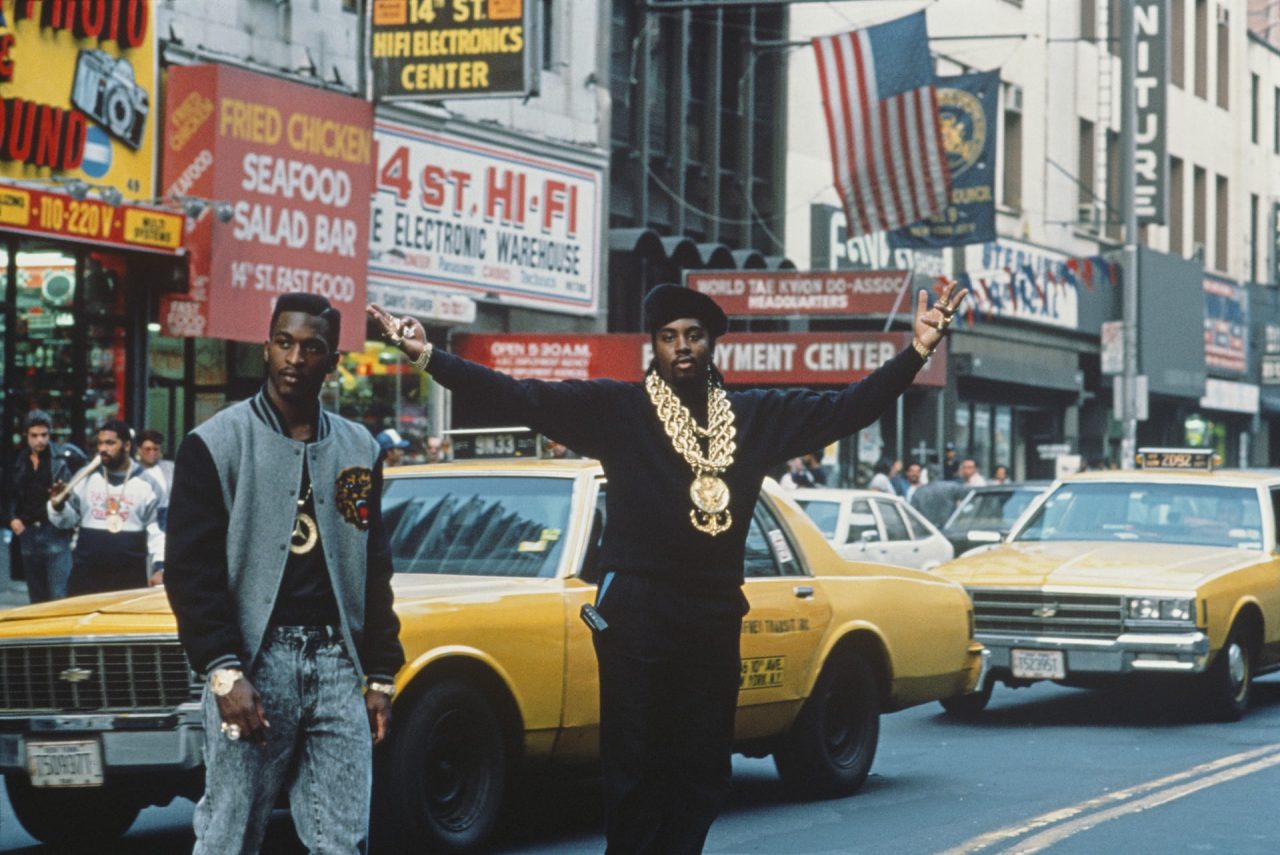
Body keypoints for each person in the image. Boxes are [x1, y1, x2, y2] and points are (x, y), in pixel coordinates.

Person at [369, 278, 966, 854]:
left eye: (694, 335)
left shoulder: (754, 415)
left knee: (704, 769)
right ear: (653, 347)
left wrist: (916, 350)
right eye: (669, 336)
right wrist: (428, 357)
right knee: (636, 768)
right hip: (637, 616)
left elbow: (846, 408)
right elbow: (521, 395)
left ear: (711, 344)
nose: (682, 346)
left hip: (712, 616)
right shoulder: (618, 409)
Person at [164, 293, 405, 854]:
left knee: (343, 839)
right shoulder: (215, 443)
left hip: (337, 663)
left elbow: (375, 567)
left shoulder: (358, 447)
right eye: (284, 342)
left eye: (312, 347)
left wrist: (379, 675)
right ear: (266, 348)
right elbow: (189, 570)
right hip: (255, 661)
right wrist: (223, 670)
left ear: (333, 361)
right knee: (231, 831)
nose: (295, 357)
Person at [48, 419, 166, 594]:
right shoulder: (84, 478)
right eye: (100, 443)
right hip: (86, 575)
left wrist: (160, 567)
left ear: (127, 446)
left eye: (110, 443)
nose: (103, 448)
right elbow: (67, 521)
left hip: (129, 578)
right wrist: (58, 506)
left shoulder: (148, 484)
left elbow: (160, 531)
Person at [5, 410, 83, 602]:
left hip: (54, 529)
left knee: (59, 594)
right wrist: (12, 517)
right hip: (28, 532)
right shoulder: (18, 460)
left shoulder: (62, 458)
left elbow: (81, 480)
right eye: (34, 435)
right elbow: (9, 492)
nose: (40, 440)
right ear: (26, 435)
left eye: (44, 435)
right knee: (36, 596)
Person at [137, 429, 177, 508]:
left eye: (155, 449)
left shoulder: (170, 468)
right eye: (147, 449)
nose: (152, 453)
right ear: (139, 450)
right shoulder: (133, 470)